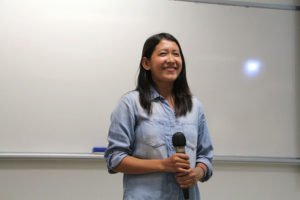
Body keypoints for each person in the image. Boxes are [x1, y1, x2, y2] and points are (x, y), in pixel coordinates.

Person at [104, 32, 213, 200]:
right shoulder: (130, 103)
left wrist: (197, 173)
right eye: (163, 54)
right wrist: (163, 165)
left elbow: (205, 157)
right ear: (146, 63)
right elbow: (115, 159)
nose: (171, 59)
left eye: (176, 54)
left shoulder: (195, 106)